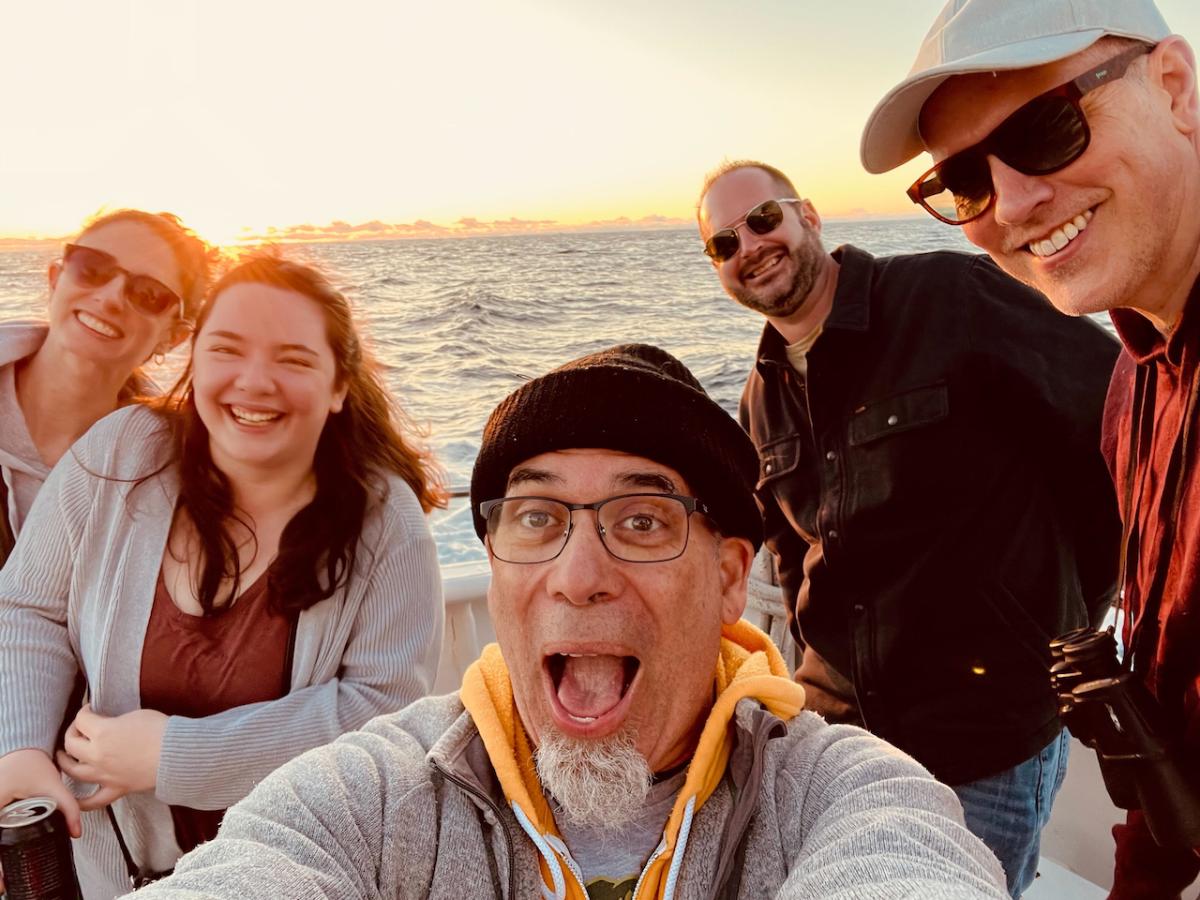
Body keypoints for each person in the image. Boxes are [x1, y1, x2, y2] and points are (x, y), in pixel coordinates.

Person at [123, 343, 1008, 900]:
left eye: (643, 522)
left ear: (733, 577)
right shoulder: (375, 793)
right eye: (537, 519)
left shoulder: (838, 792)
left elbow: (908, 865)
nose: (578, 578)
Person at [696, 161, 1121, 897]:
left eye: (764, 220)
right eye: (723, 243)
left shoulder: (946, 298)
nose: (750, 248)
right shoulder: (759, 397)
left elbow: (1114, 420)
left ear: (810, 216)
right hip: (847, 741)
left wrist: (1068, 614)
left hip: (984, 733)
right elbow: (795, 560)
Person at [861, 1, 1200, 896]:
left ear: (1175, 87)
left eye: (1048, 127)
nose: (1011, 203)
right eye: (965, 180)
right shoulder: (1133, 384)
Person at [0, 252, 445, 898]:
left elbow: (384, 716)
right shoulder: (123, 451)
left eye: (292, 360)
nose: (254, 382)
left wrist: (173, 755)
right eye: (227, 350)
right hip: (101, 873)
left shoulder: (384, 519)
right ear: (195, 361)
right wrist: (19, 750)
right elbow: (27, 608)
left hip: (297, 876)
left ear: (339, 386)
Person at [0, 209, 212, 565]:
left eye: (148, 294)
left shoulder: (170, 474)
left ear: (173, 337)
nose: (111, 297)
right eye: (92, 269)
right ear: (56, 278)